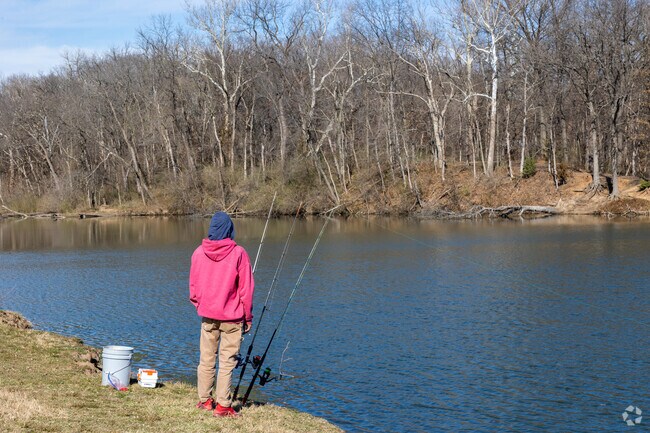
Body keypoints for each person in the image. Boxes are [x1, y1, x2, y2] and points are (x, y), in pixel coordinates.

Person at [189, 211, 254, 417]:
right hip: (233, 318)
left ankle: (205, 401)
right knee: (227, 362)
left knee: (206, 359)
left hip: (208, 316)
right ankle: (223, 406)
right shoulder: (239, 253)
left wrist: (201, 305)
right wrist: (248, 316)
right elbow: (246, 289)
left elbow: (193, 288)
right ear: (229, 230)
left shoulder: (198, 252)